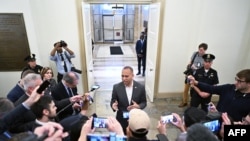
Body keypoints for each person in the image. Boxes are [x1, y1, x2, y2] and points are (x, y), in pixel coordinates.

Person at [110, 66, 147, 134]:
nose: (124, 78)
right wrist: (113, 105)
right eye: (122, 76)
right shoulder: (116, 87)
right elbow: (113, 100)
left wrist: (138, 106)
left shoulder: (140, 87)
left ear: (132, 76)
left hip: (136, 120)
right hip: (121, 120)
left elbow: (144, 102)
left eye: (126, 76)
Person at [179, 43, 208, 107]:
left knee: (193, 91)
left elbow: (204, 69)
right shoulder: (195, 54)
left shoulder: (205, 58)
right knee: (185, 89)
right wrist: (190, 65)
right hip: (190, 74)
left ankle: (192, 104)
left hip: (197, 76)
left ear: (205, 50)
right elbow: (190, 61)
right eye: (199, 49)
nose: (200, 51)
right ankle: (184, 101)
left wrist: (196, 68)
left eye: (202, 50)